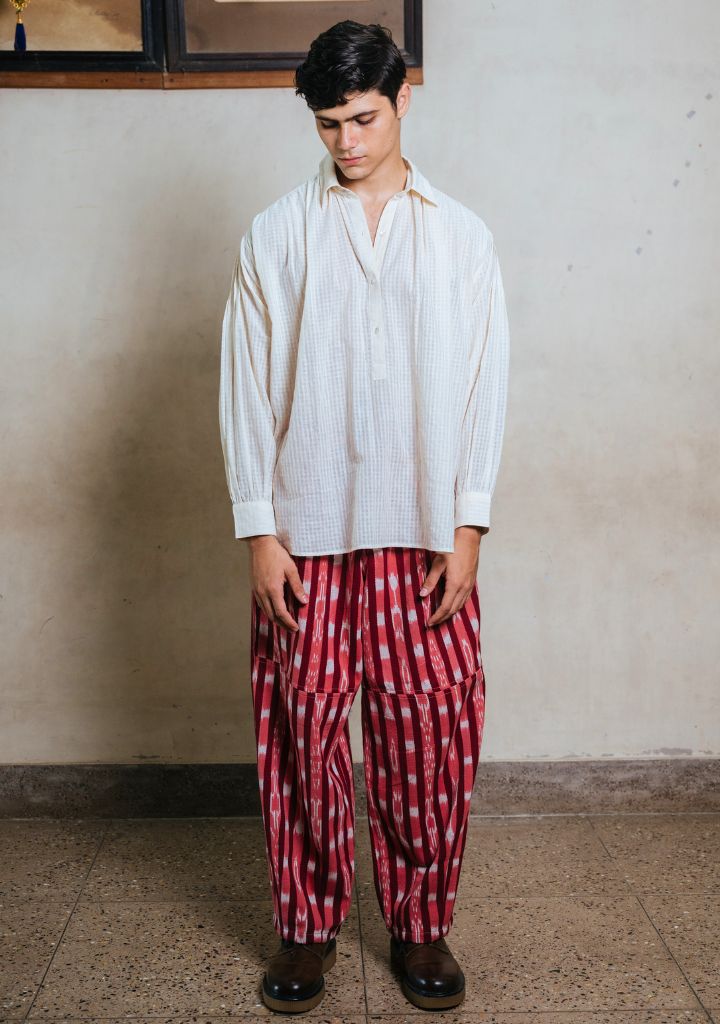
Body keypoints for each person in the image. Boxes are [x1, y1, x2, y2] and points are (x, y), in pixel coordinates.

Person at [218, 18, 509, 1014]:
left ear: (402, 100)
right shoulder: (275, 234)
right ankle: (305, 928)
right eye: (329, 123)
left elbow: (484, 385)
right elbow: (245, 387)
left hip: (423, 531)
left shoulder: (461, 236)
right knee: (303, 732)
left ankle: (421, 925)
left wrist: (469, 525)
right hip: (305, 533)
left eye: (364, 118)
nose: (347, 142)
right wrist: (260, 529)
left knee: (428, 731)